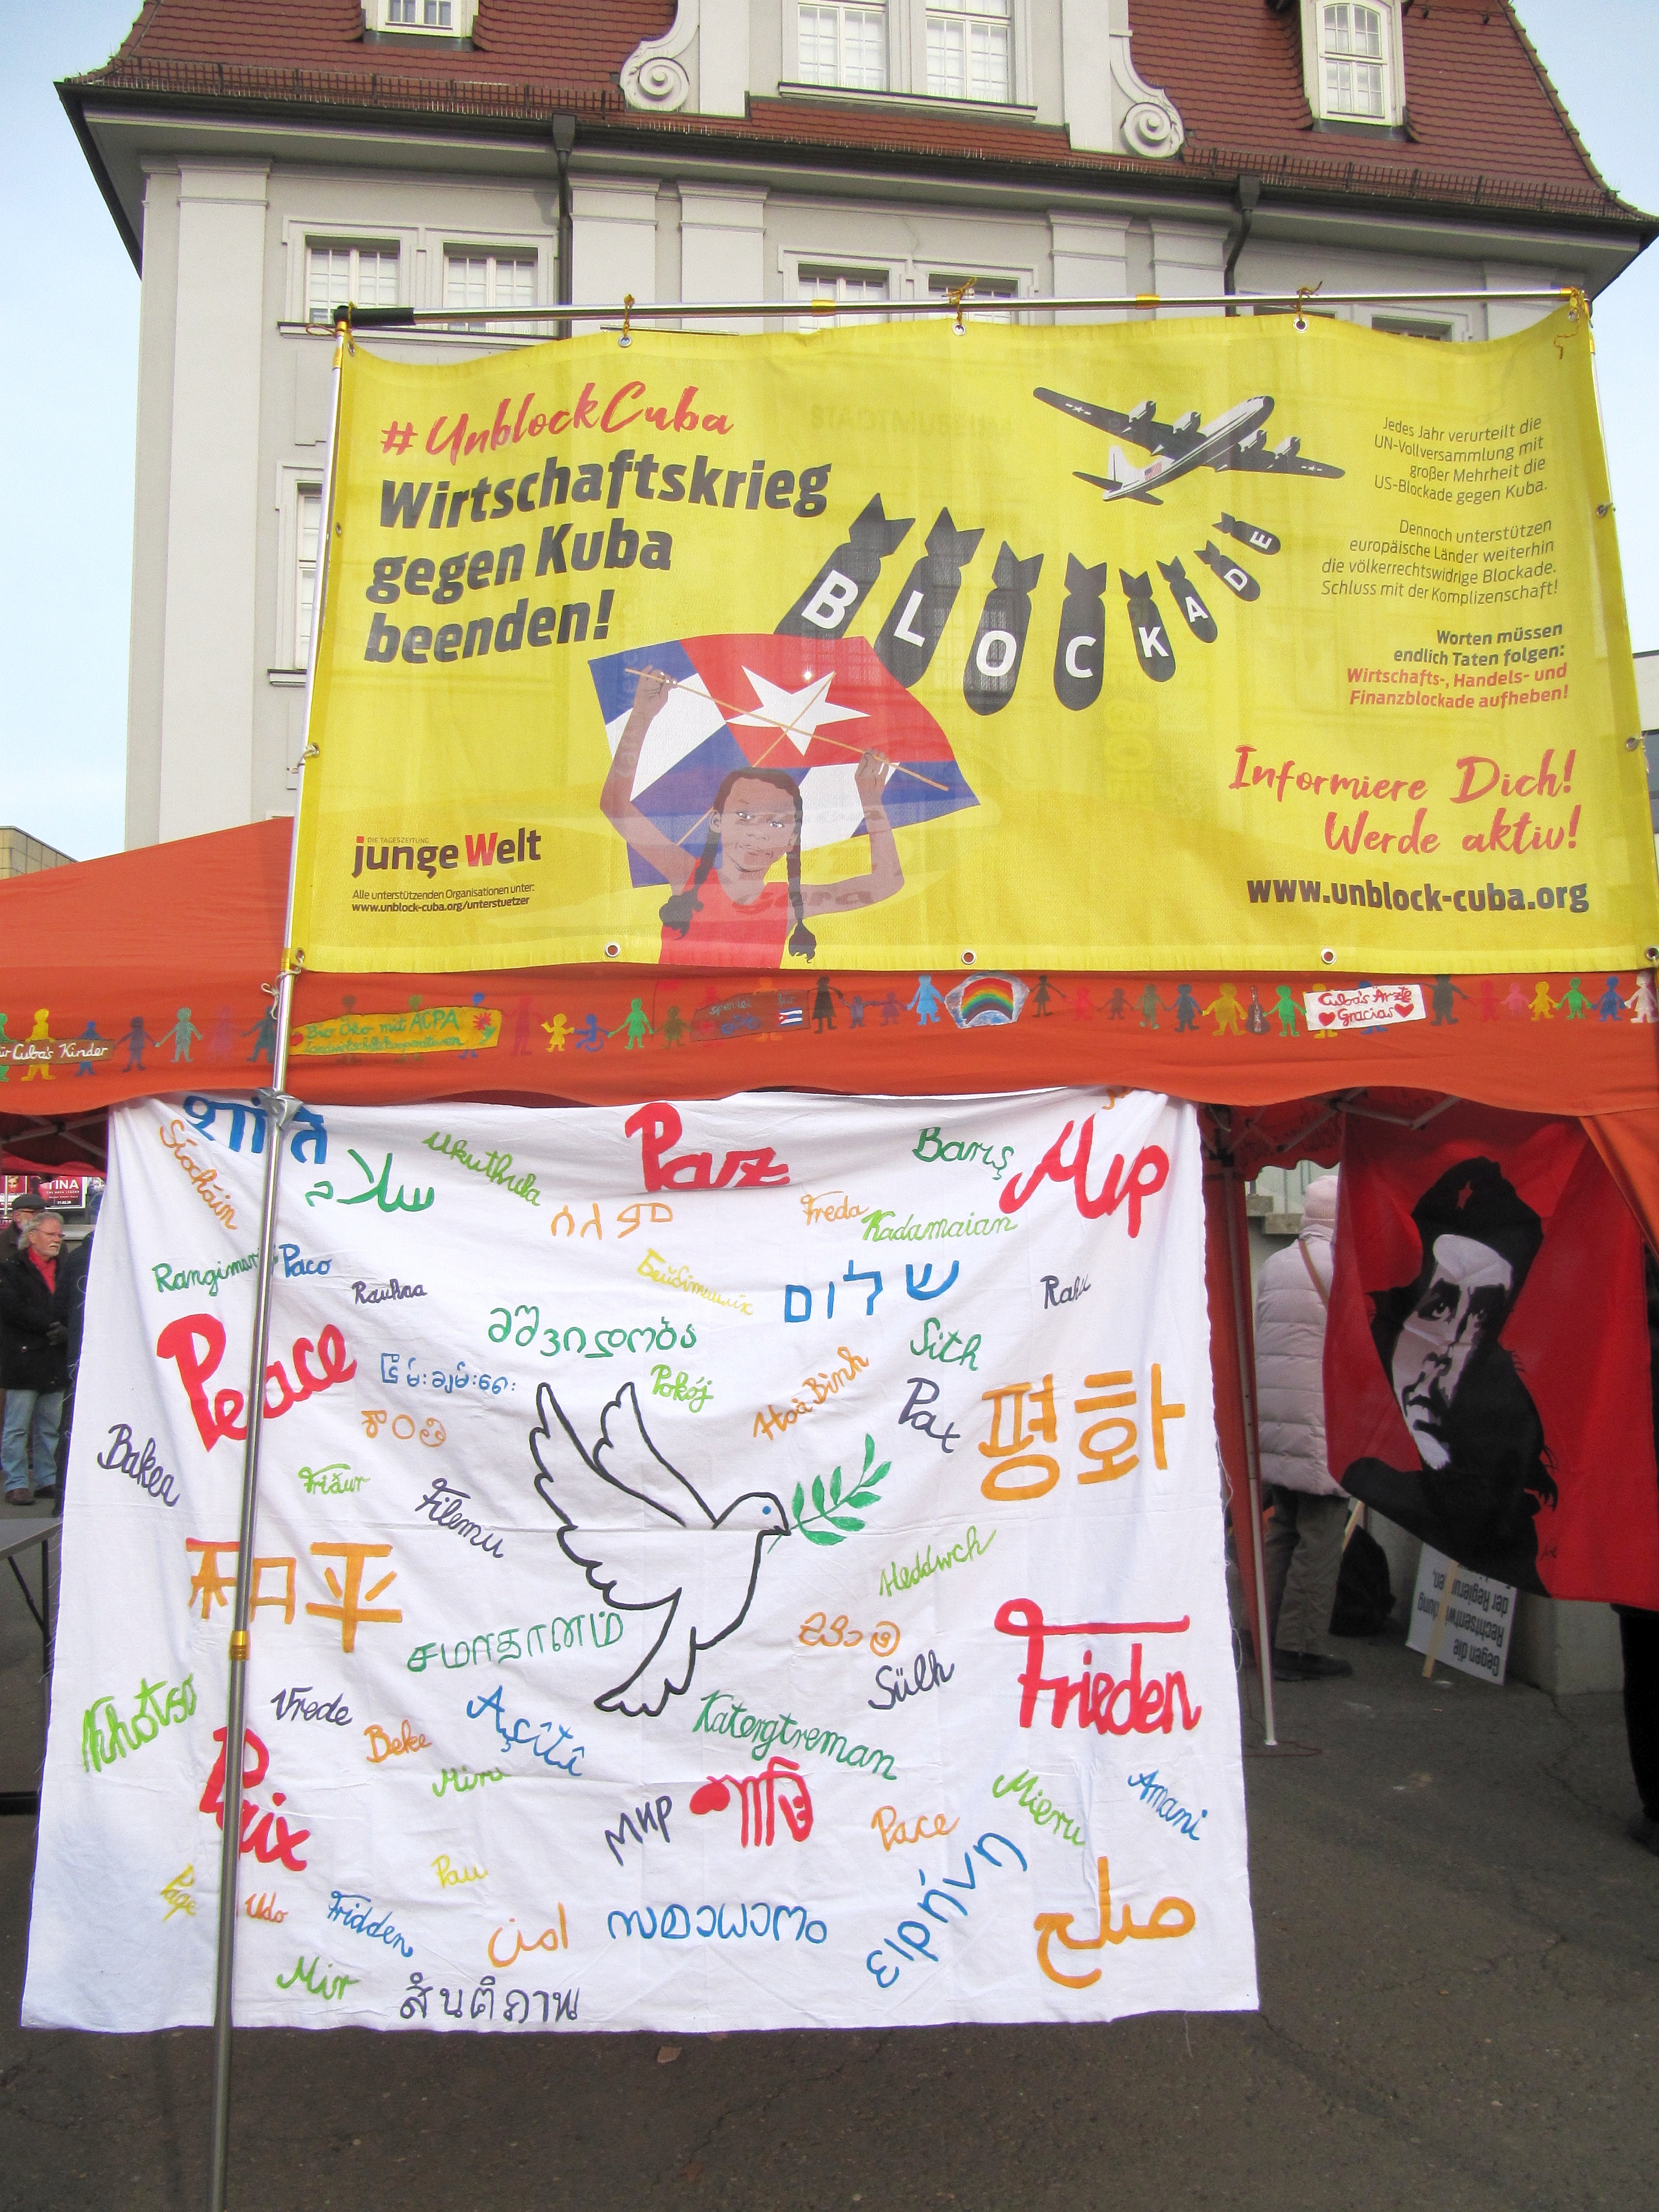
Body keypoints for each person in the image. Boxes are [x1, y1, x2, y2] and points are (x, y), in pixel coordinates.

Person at [1338, 1156, 1554, 1593]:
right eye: (1437, 1308)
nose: (1446, 1358)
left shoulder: (1519, 1496)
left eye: (1483, 1322)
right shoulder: (1374, 1470)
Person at [601, 666, 901, 967]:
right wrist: (641, 716)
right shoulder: (687, 876)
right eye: (744, 815)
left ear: (792, 839)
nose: (759, 833)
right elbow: (615, 807)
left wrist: (871, 800)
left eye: (776, 822)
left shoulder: (788, 904)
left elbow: (886, 882)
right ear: (717, 822)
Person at [1256, 1173, 1353, 1682]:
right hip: (1320, 1422)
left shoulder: (1276, 1264)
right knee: (1321, 1535)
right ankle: (1299, 1649)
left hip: (1277, 1423)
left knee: (1284, 1529)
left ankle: (1264, 1635)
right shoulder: (1342, 1267)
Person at [0, 1210, 69, 1505]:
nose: (57, 1240)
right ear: (32, 1236)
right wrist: (51, 1325)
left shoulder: (64, 1268)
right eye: (51, 1234)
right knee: (17, 1426)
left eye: (60, 1235)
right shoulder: (10, 1269)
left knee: (49, 1426)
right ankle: (16, 1482)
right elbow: (11, 1308)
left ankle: (46, 1480)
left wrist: (66, 1329)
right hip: (23, 1358)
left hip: (54, 1358)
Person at [53, 1187, 99, 1499]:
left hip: (79, 1357)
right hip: (105, 1358)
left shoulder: (77, 1257)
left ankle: (65, 1496)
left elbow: (58, 1309)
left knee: (73, 1423)